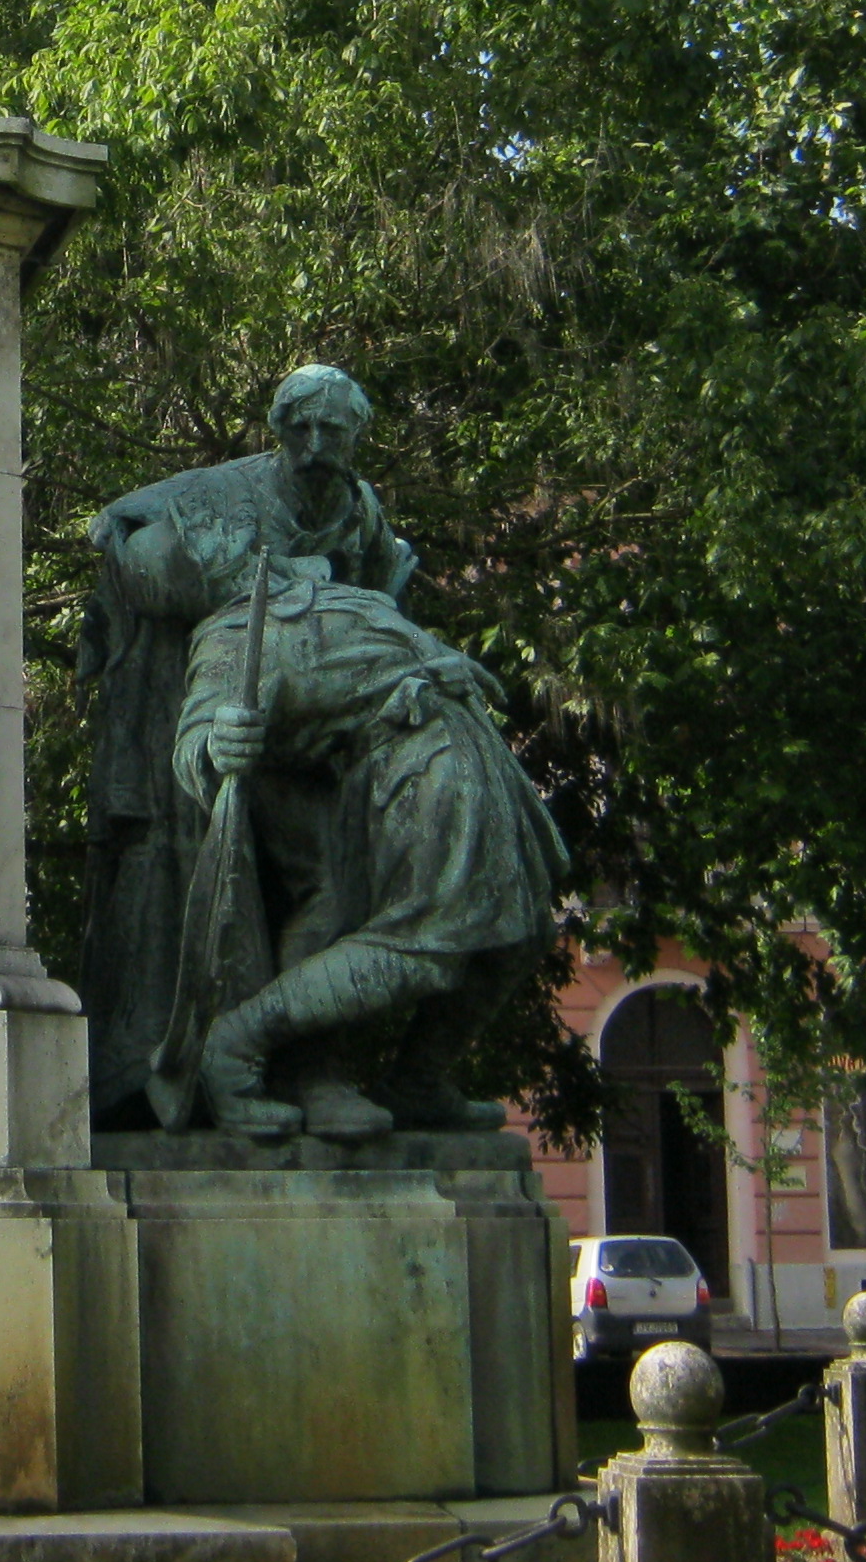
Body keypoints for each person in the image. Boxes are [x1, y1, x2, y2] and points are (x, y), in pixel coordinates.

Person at [73, 367, 416, 1125]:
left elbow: (373, 605)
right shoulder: (225, 500)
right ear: (279, 430)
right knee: (250, 882)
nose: (315, 444)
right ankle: (229, 1073)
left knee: (342, 877)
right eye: (300, 427)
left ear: (358, 435)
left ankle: (312, 1074)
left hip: (310, 734)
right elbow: (126, 545)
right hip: (214, 719)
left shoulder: (362, 514)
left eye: (332, 429)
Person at [154, 557, 567, 1139]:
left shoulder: (360, 599)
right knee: (426, 944)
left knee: (520, 938)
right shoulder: (236, 631)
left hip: (469, 759)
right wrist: (217, 743)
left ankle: (419, 1080)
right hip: (410, 770)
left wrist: (445, 664)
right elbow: (198, 736)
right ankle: (233, 1043)